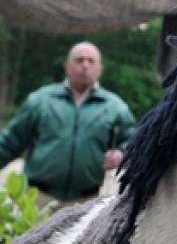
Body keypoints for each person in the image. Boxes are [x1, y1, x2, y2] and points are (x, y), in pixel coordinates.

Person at [0, 41, 136, 204]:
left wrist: (121, 154)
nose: (85, 65)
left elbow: (133, 143)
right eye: (79, 60)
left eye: (91, 61)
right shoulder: (41, 101)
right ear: (66, 66)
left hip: (86, 201)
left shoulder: (115, 107)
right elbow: (11, 142)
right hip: (37, 199)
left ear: (100, 70)